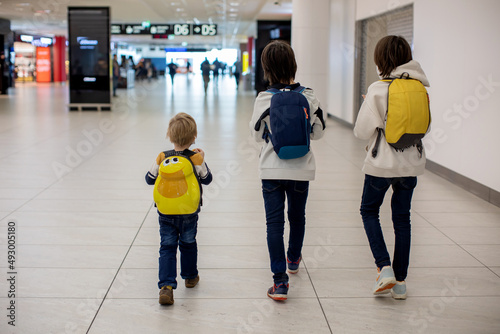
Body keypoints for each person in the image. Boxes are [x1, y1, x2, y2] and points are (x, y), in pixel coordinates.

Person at [353, 35, 430, 300]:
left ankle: (384, 267)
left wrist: (369, 105)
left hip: (381, 165)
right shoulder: (420, 88)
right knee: (402, 218)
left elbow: (361, 132)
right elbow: (424, 127)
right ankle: (400, 283)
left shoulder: (378, 89)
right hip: (411, 166)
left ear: (380, 59)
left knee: (368, 211)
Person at [249, 40, 326, 301]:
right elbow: (318, 133)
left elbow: (256, 135)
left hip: (271, 169)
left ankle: (279, 283)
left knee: (274, 224)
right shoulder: (309, 95)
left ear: (266, 68)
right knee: (297, 216)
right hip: (301, 169)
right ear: (293, 65)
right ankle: (293, 258)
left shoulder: (264, 98)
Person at [145, 112, 213, 305]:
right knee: (188, 242)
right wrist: (202, 157)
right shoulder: (195, 158)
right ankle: (190, 277)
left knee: (167, 246)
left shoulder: (162, 157)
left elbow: (149, 179)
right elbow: (208, 179)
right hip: (189, 212)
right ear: (193, 138)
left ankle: (166, 286)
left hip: (165, 212)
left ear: (170, 136)